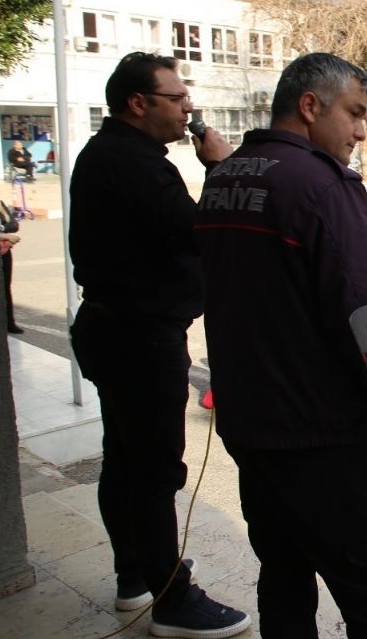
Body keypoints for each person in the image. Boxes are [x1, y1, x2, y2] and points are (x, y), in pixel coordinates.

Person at [199, 52, 367, 635]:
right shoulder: (322, 187)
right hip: (319, 434)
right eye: (355, 114)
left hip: (249, 423)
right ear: (310, 106)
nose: (361, 131)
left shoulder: (227, 174)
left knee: (283, 571)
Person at [70, 52, 249, 636]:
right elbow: (200, 229)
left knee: (125, 461)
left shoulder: (119, 155)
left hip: (118, 330)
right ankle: (171, 597)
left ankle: (138, 575)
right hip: (139, 336)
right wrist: (222, 169)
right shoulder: (132, 162)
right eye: (176, 98)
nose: (188, 107)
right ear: (138, 103)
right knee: (152, 470)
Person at [0, 198, 23, 333]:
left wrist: (1, 228)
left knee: (6, 287)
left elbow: (14, 225)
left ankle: (9, 322)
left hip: (5, 251)